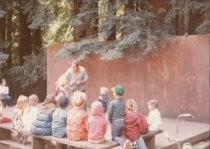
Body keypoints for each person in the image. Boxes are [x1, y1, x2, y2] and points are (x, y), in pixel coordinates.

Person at [108, 85, 132, 149]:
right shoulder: (123, 103)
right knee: (120, 135)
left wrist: (111, 121)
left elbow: (110, 113)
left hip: (115, 122)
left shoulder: (112, 102)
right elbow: (124, 112)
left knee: (114, 137)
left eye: (113, 92)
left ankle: (124, 143)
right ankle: (127, 142)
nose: (112, 92)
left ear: (115, 94)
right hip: (122, 121)